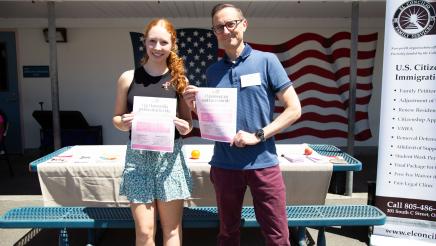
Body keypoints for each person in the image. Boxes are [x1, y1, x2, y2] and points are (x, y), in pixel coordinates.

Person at [183, 3, 302, 246]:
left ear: (244, 24)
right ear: (215, 32)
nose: (226, 31)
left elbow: (294, 109)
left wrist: (258, 135)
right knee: (228, 234)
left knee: (278, 235)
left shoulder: (267, 61)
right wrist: (194, 105)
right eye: (219, 27)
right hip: (225, 165)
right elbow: (213, 119)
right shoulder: (213, 72)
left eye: (231, 24)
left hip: (264, 163)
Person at [113, 18, 193, 246]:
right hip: (138, 160)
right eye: (152, 41)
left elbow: (188, 123)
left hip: (170, 160)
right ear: (145, 43)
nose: (157, 48)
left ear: (172, 45)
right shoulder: (127, 78)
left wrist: (185, 127)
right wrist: (123, 123)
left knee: (171, 230)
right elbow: (116, 118)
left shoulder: (180, 81)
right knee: (145, 232)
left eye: (163, 42)